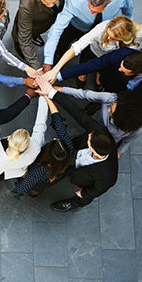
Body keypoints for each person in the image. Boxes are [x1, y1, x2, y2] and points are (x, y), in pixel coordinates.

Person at [35, 76, 119, 212]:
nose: (89, 134)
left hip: (79, 176)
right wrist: (51, 93)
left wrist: (84, 194)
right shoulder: (99, 131)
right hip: (70, 154)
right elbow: (77, 113)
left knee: (82, 197)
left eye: (90, 139)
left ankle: (73, 204)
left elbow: (97, 190)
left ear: (95, 150)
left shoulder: (108, 176)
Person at [42, 16, 142, 84]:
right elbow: (77, 47)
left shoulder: (141, 32)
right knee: (87, 63)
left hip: (119, 59)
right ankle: (84, 74)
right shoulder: (101, 29)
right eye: (108, 34)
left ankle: (100, 74)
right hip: (97, 53)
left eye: (113, 37)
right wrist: (55, 70)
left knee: (108, 72)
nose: (108, 38)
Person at [42, 0, 134, 71]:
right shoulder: (75, 0)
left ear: (109, 2)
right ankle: (57, 57)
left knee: (91, 52)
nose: (92, 13)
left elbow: (128, 10)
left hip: (103, 29)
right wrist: (48, 61)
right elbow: (57, 29)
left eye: (96, 11)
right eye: (90, 8)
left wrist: (128, 26)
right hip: (76, 26)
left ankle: (83, 68)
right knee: (62, 43)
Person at [55, 48, 142, 111]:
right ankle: (98, 102)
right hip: (111, 82)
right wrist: (58, 75)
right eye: (121, 65)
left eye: (124, 70)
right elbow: (93, 65)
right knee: (104, 93)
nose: (119, 69)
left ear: (139, 73)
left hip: (129, 100)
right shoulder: (122, 54)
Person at [45, 86, 142, 156]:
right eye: (111, 107)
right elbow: (84, 94)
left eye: (112, 112)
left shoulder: (136, 130)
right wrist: (57, 89)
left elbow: (126, 142)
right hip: (94, 122)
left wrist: (118, 153)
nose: (108, 110)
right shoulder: (111, 98)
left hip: (105, 139)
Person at [11, 97, 72, 199]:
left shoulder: (40, 168)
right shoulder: (69, 150)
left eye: (54, 141)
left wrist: (19, 189)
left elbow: (24, 185)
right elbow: (60, 126)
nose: (54, 138)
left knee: (34, 186)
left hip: (40, 180)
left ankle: (33, 193)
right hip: (54, 177)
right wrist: (48, 98)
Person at [11, 0, 66, 69]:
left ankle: (35, 35)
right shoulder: (26, 5)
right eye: (47, 2)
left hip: (43, 22)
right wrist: (36, 67)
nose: (51, 5)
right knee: (22, 40)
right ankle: (20, 49)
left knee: (37, 31)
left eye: (54, 1)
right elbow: (24, 39)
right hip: (31, 24)